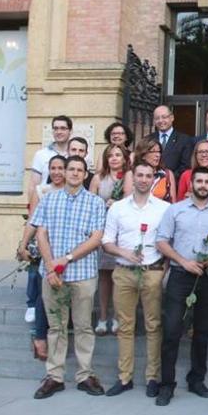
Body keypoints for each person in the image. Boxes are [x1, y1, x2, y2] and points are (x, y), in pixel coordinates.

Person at [30, 156, 107, 399]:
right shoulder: (49, 199)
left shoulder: (95, 203)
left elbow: (96, 239)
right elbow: (41, 234)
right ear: (64, 173)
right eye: (70, 169)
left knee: (84, 326)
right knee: (56, 326)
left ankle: (85, 375)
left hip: (82, 275)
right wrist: (52, 267)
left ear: (86, 175)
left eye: (79, 170)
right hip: (52, 275)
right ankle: (54, 376)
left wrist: (68, 258)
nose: (74, 173)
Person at [154, 167, 208, 406]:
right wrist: (182, 261)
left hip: (207, 277)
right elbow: (161, 240)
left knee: (202, 332)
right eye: (199, 181)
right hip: (181, 275)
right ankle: (167, 384)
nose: (203, 185)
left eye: (207, 181)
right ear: (191, 184)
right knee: (172, 330)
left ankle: (196, 380)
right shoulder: (175, 210)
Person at [101, 162, 170, 397]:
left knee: (153, 326)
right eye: (139, 175)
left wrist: (164, 270)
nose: (143, 179)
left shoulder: (163, 208)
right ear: (133, 178)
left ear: (153, 179)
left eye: (147, 176)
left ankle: (152, 377)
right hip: (123, 272)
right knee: (125, 327)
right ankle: (124, 377)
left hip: (152, 272)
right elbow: (107, 242)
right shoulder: (118, 208)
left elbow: (169, 242)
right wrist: (124, 252)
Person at [18, 155, 67, 359]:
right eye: (53, 168)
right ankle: (40, 337)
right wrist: (23, 244)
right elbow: (33, 220)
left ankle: (61, 340)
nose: (56, 172)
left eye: (60, 168)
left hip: (66, 253)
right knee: (42, 296)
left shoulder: (73, 190)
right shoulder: (42, 191)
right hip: (45, 250)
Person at [89, 144, 134, 336]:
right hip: (103, 229)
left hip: (121, 232)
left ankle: (117, 317)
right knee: (105, 276)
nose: (114, 158)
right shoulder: (98, 178)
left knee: (119, 276)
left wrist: (117, 203)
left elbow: (130, 200)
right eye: (110, 156)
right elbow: (89, 204)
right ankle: (102, 317)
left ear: (124, 159)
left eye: (118, 155)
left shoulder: (129, 176)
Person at [28, 115, 71, 201]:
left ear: (70, 131)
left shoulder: (75, 155)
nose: (59, 132)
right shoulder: (41, 155)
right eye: (55, 128)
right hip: (45, 203)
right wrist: (31, 208)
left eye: (63, 128)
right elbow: (33, 185)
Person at [148, 104, 193, 177]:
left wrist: (167, 178)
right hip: (151, 183)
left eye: (164, 117)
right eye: (157, 118)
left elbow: (186, 166)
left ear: (172, 118)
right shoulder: (148, 139)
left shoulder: (184, 140)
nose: (160, 120)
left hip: (174, 184)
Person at [133, 137, 177, 203]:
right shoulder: (133, 173)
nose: (157, 155)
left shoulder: (167, 174)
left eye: (159, 151)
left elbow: (172, 203)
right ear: (143, 155)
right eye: (153, 151)